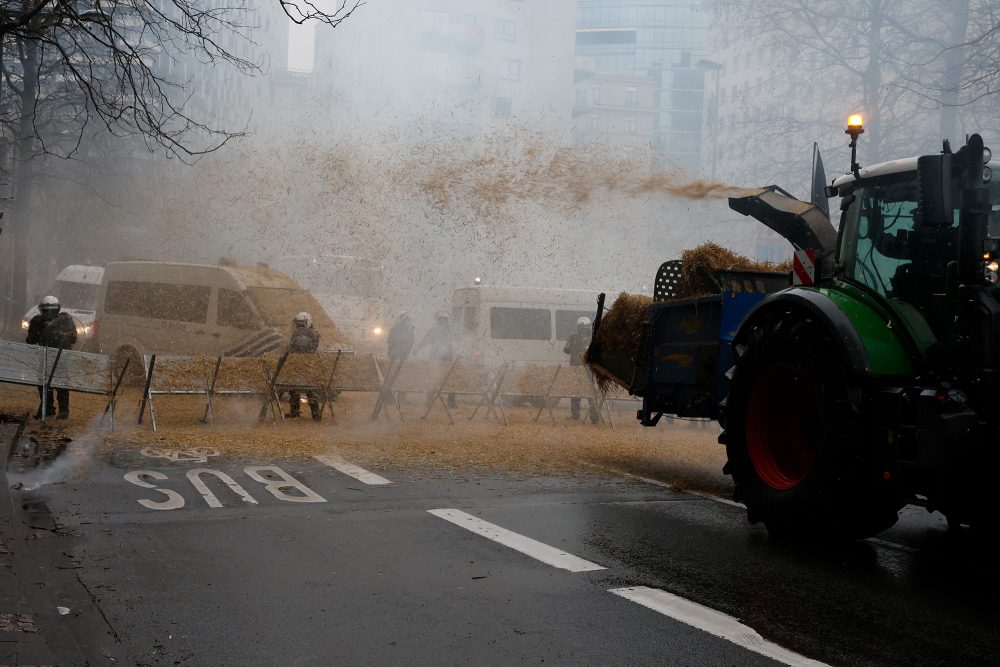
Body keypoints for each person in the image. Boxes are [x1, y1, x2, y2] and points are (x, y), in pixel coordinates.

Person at [25, 295, 77, 419]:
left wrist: (58, 331)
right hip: (47, 357)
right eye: (46, 310)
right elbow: (31, 340)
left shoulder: (65, 320)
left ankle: (62, 410)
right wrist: (40, 329)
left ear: (58, 309)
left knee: (58, 384)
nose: (49, 313)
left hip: (60, 357)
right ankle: (49, 408)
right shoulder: (38, 321)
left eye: (52, 310)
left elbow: (73, 339)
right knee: (45, 383)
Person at [414, 309, 457, 408]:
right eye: (441, 320)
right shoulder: (440, 330)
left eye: (444, 320)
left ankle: (441, 401)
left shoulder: (441, 330)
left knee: (445, 378)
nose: (442, 321)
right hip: (441, 358)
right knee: (437, 378)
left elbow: (425, 340)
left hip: (443, 358)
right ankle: (443, 402)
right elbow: (425, 340)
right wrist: (417, 348)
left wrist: (417, 349)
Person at [286, 311, 322, 421]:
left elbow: (292, 348)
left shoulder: (306, 334)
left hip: (303, 364)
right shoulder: (314, 333)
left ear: (307, 322)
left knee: (299, 389)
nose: (299, 326)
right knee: (305, 389)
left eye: (301, 323)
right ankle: (315, 414)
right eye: (298, 324)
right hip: (306, 364)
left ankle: (296, 412)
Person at [564, 316, 599, 423]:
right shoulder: (573, 337)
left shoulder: (592, 338)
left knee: (589, 392)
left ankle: (594, 416)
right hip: (576, 368)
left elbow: (595, 354)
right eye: (578, 327)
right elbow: (567, 350)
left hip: (587, 369)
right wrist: (568, 347)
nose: (579, 329)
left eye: (581, 327)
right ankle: (576, 414)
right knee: (576, 391)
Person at [386, 311, 415, 403]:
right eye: (407, 320)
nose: (409, 322)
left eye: (410, 321)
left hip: (404, 357)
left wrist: (406, 352)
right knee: (392, 377)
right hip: (395, 356)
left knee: (403, 377)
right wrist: (394, 352)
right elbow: (390, 341)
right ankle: (389, 398)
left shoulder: (410, 330)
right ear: (403, 320)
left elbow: (411, 342)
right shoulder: (395, 329)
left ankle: (402, 399)